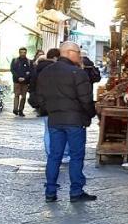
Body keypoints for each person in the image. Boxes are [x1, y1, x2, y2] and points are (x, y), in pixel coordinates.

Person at [37, 41, 97, 202]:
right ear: (70, 52)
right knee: (76, 156)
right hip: (75, 121)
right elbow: (86, 100)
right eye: (78, 52)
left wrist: (49, 109)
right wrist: (90, 115)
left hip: (55, 120)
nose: (80, 56)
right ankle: (76, 191)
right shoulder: (77, 73)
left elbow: (38, 97)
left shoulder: (46, 72)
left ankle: (50, 191)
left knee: (54, 156)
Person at [10, 47, 33, 116]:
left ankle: (21, 110)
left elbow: (31, 71)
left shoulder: (29, 62)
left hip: (25, 82)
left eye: (24, 52)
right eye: (21, 52)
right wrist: (18, 77)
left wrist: (25, 78)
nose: (23, 54)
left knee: (23, 96)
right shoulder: (15, 60)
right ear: (19, 52)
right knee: (16, 95)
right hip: (16, 81)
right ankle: (15, 109)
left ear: (26, 53)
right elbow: (12, 70)